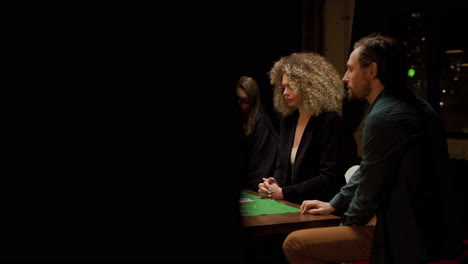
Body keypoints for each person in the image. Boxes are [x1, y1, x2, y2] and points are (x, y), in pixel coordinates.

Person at [282, 33, 464, 263]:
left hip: (407, 239)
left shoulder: (383, 117)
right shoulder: (417, 105)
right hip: (435, 233)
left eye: (350, 69)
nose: (344, 78)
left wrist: (341, 229)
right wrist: (333, 204)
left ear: (371, 71)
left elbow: (366, 197)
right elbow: (368, 170)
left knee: (295, 244)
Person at [258, 52, 357, 205]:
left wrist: (284, 192)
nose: (285, 92)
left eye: (291, 87)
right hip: (291, 204)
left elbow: (328, 178)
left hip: (319, 208)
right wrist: (273, 185)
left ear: (310, 86)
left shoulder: (330, 122)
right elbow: (281, 167)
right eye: (283, 87)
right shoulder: (288, 120)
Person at [237, 76, 279, 191]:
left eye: (244, 101)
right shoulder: (241, 120)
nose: (239, 104)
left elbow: (258, 171)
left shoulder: (261, 122)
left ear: (252, 102)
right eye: (237, 99)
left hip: (256, 190)